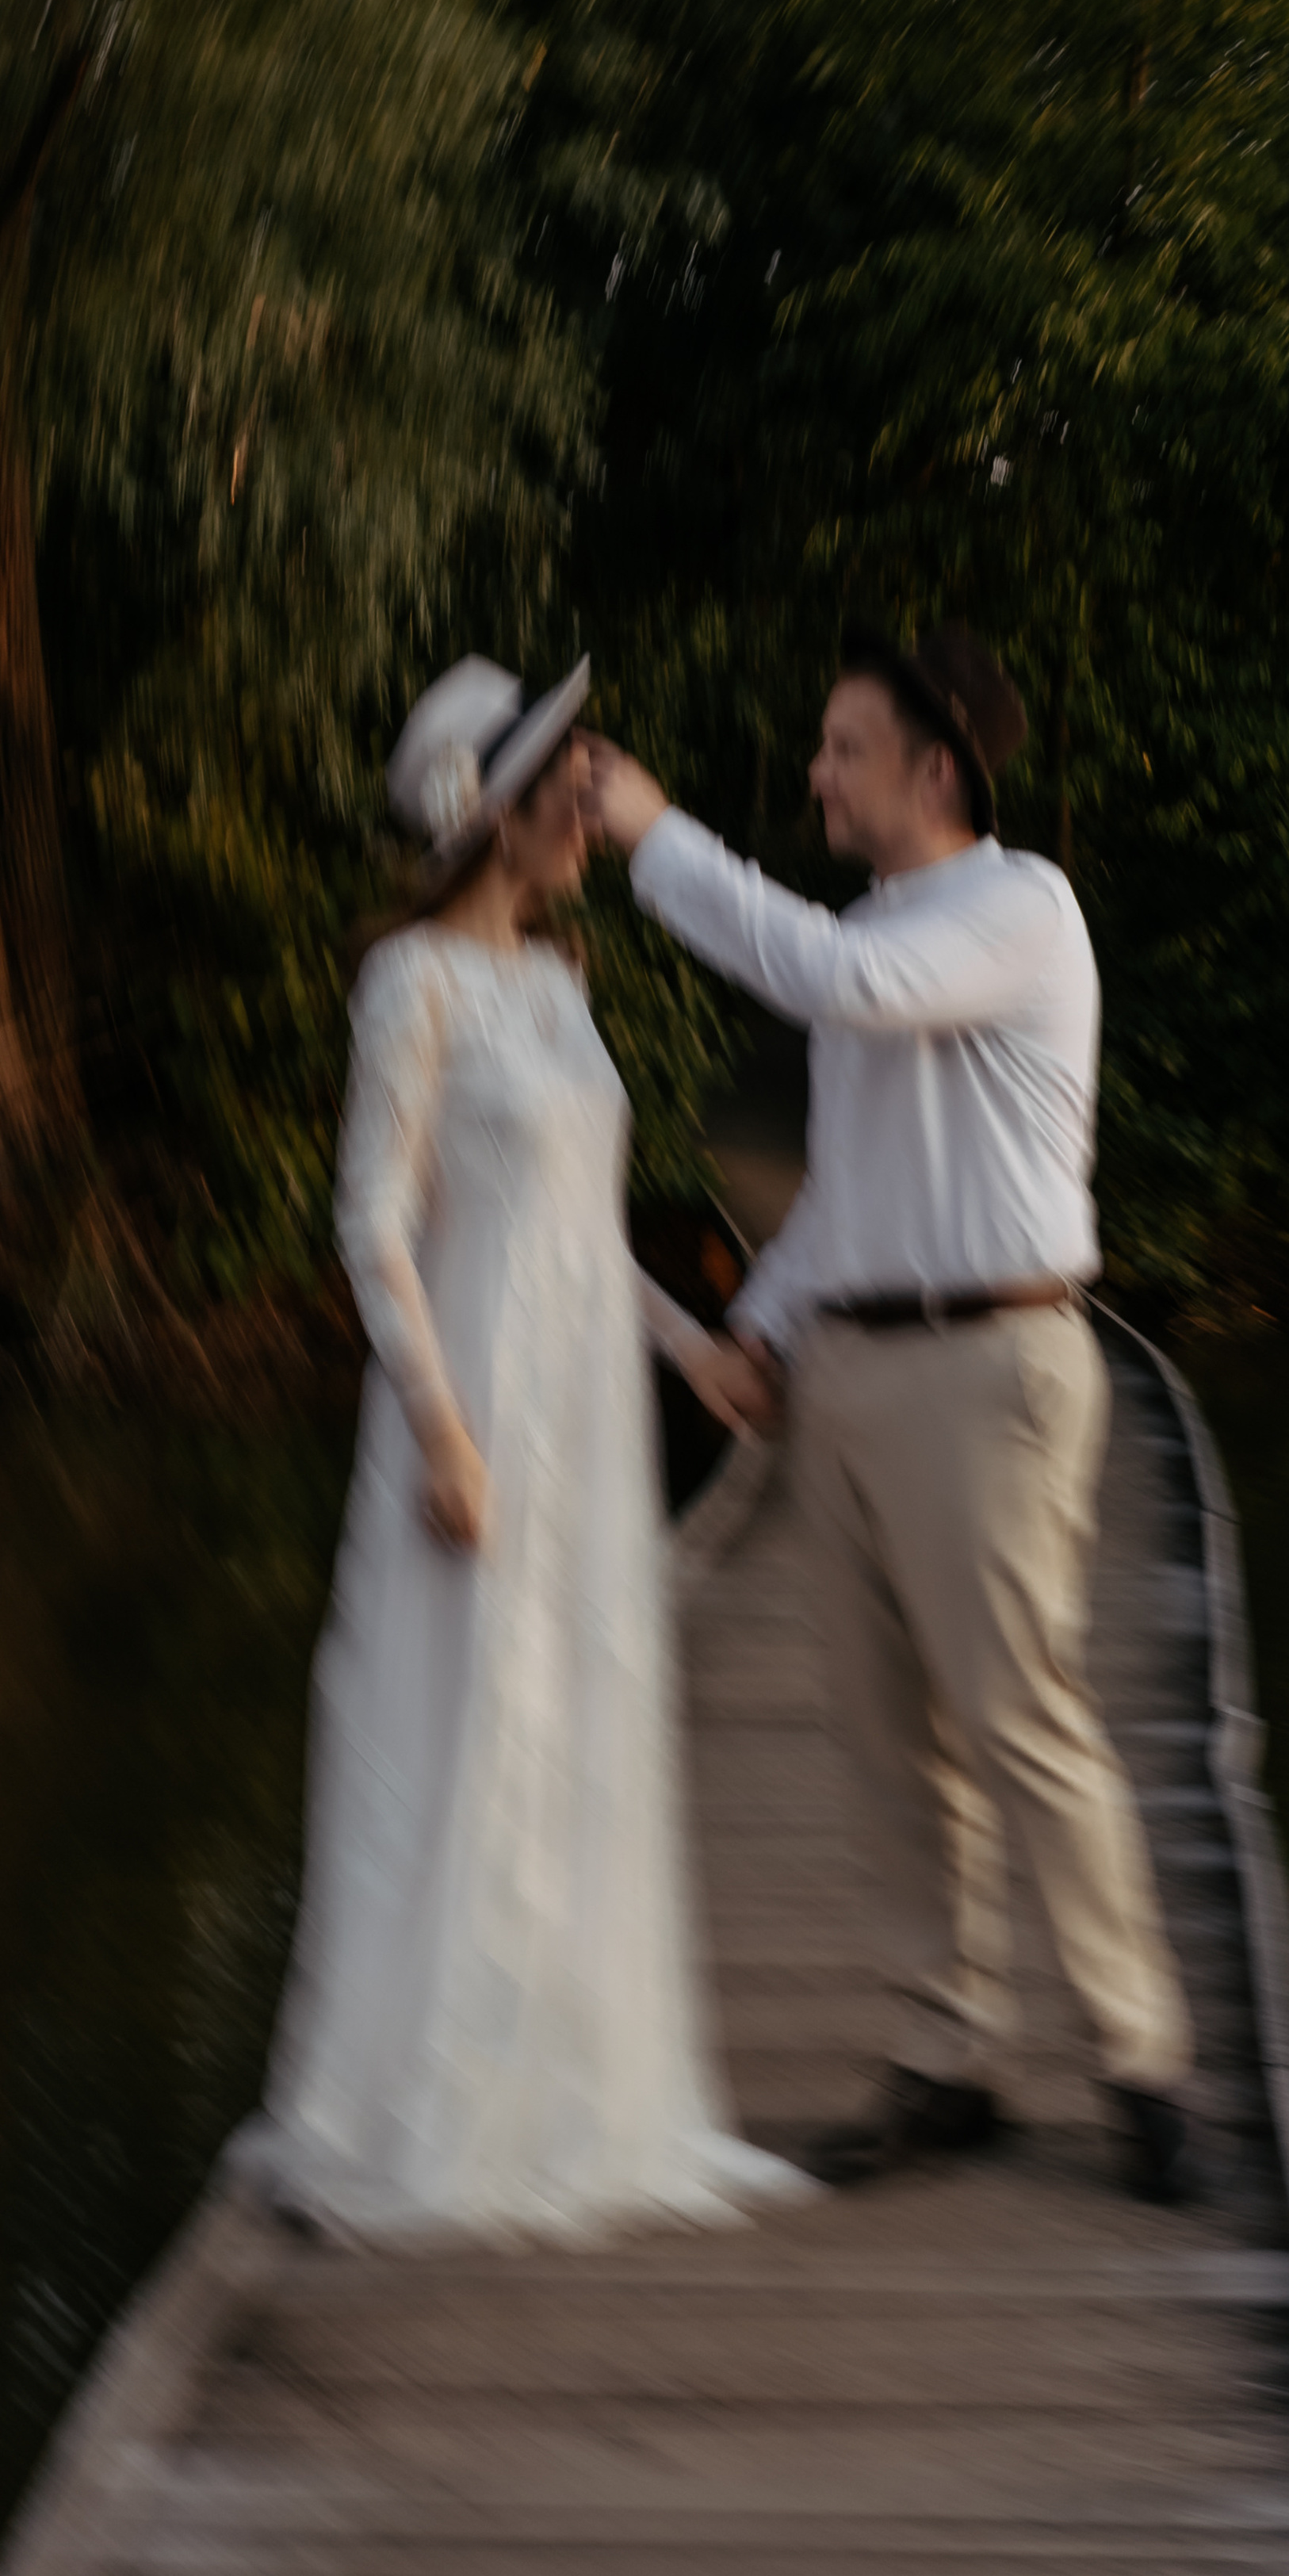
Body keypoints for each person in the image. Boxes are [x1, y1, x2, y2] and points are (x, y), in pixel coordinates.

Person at [585, 626, 1196, 2203]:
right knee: (879, 1738)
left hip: (987, 1373)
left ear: (936, 769)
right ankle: (946, 2057)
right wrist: (755, 1334)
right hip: (852, 1374)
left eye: (841, 746)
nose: (815, 772)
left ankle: (1138, 2063)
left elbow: (836, 984)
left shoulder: (1013, 909)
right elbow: (847, 1201)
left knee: (1023, 1720)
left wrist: (651, 834)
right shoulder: (877, 925)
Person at [235, 653, 809, 2244]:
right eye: (561, 790)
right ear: (494, 818)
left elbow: (580, 1228)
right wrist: (439, 1428)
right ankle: (432, 2091)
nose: (584, 811)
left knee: (575, 1702)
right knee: (459, 1712)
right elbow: (371, 1223)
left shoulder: (558, 986)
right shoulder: (407, 984)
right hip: (475, 1406)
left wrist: (690, 1345)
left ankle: (573, 2075)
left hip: (585, 1417)